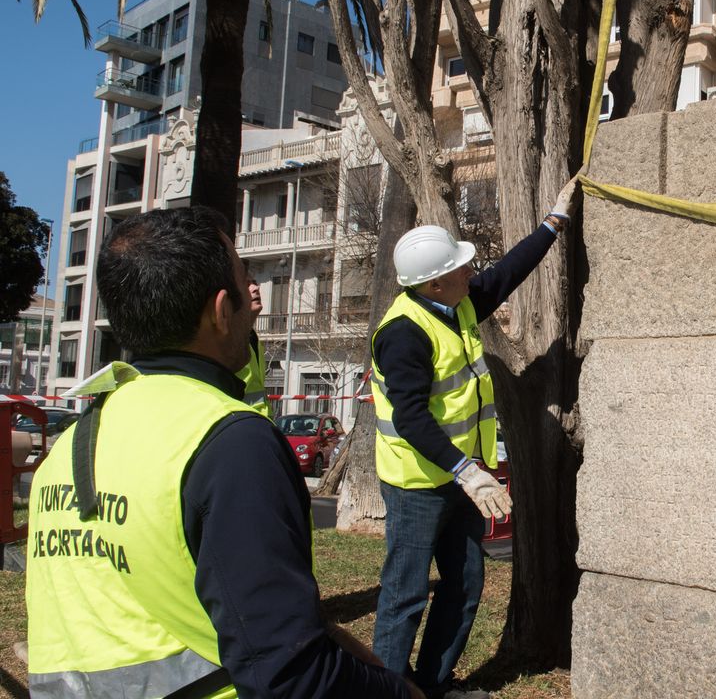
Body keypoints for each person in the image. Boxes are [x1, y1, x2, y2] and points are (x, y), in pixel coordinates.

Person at [25, 207, 421, 699]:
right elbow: (291, 677)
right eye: (243, 281)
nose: (252, 300)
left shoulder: (72, 443)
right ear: (219, 310)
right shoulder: (230, 443)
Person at [371, 179, 577, 698]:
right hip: (418, 483)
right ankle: (387, 691)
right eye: (460, 267)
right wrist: (467, 472)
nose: (471, 271)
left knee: (465, 585)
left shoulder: (456, 303)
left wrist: (554, 222)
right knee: (406, 595)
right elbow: (412, 417)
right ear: (434, 283)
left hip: (462, 480)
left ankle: (433, 686)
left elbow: (506, 275)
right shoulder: (404, 333)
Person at [237, 269, 272, 418]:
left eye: (255, 283)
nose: (255, 288)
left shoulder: (254, 340)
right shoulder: (225, 342)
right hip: (238, 426)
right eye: (247, 285)